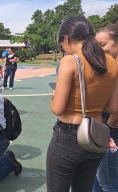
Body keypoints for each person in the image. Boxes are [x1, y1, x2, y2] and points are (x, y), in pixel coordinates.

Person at [47, 16, 118, 192]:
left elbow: (57, 109)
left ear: (66, 38)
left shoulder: (70, 61)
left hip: (68, 136)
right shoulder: (111, 62)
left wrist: (54, 95)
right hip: (96, 136)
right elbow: (113, 107)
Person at [93, 23, 118, 192]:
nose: (99, 50)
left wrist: (110, 121)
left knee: (108, 183)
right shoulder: (110, 66)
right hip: (105, 128)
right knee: (98, 179)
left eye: (103, 45)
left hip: (109, 131)